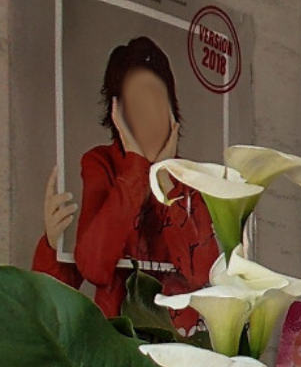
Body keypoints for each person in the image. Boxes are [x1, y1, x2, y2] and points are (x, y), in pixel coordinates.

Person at [32, 36, 219, 336]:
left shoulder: (187, 179)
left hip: (181, 341)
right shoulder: (101, 164)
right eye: (137, 108)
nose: (149, 120)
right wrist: (135, 171)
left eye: (157, 103)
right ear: (117, 114)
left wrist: (164, 182)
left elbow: (203, 276)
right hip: (120, 341)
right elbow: (93, 267)